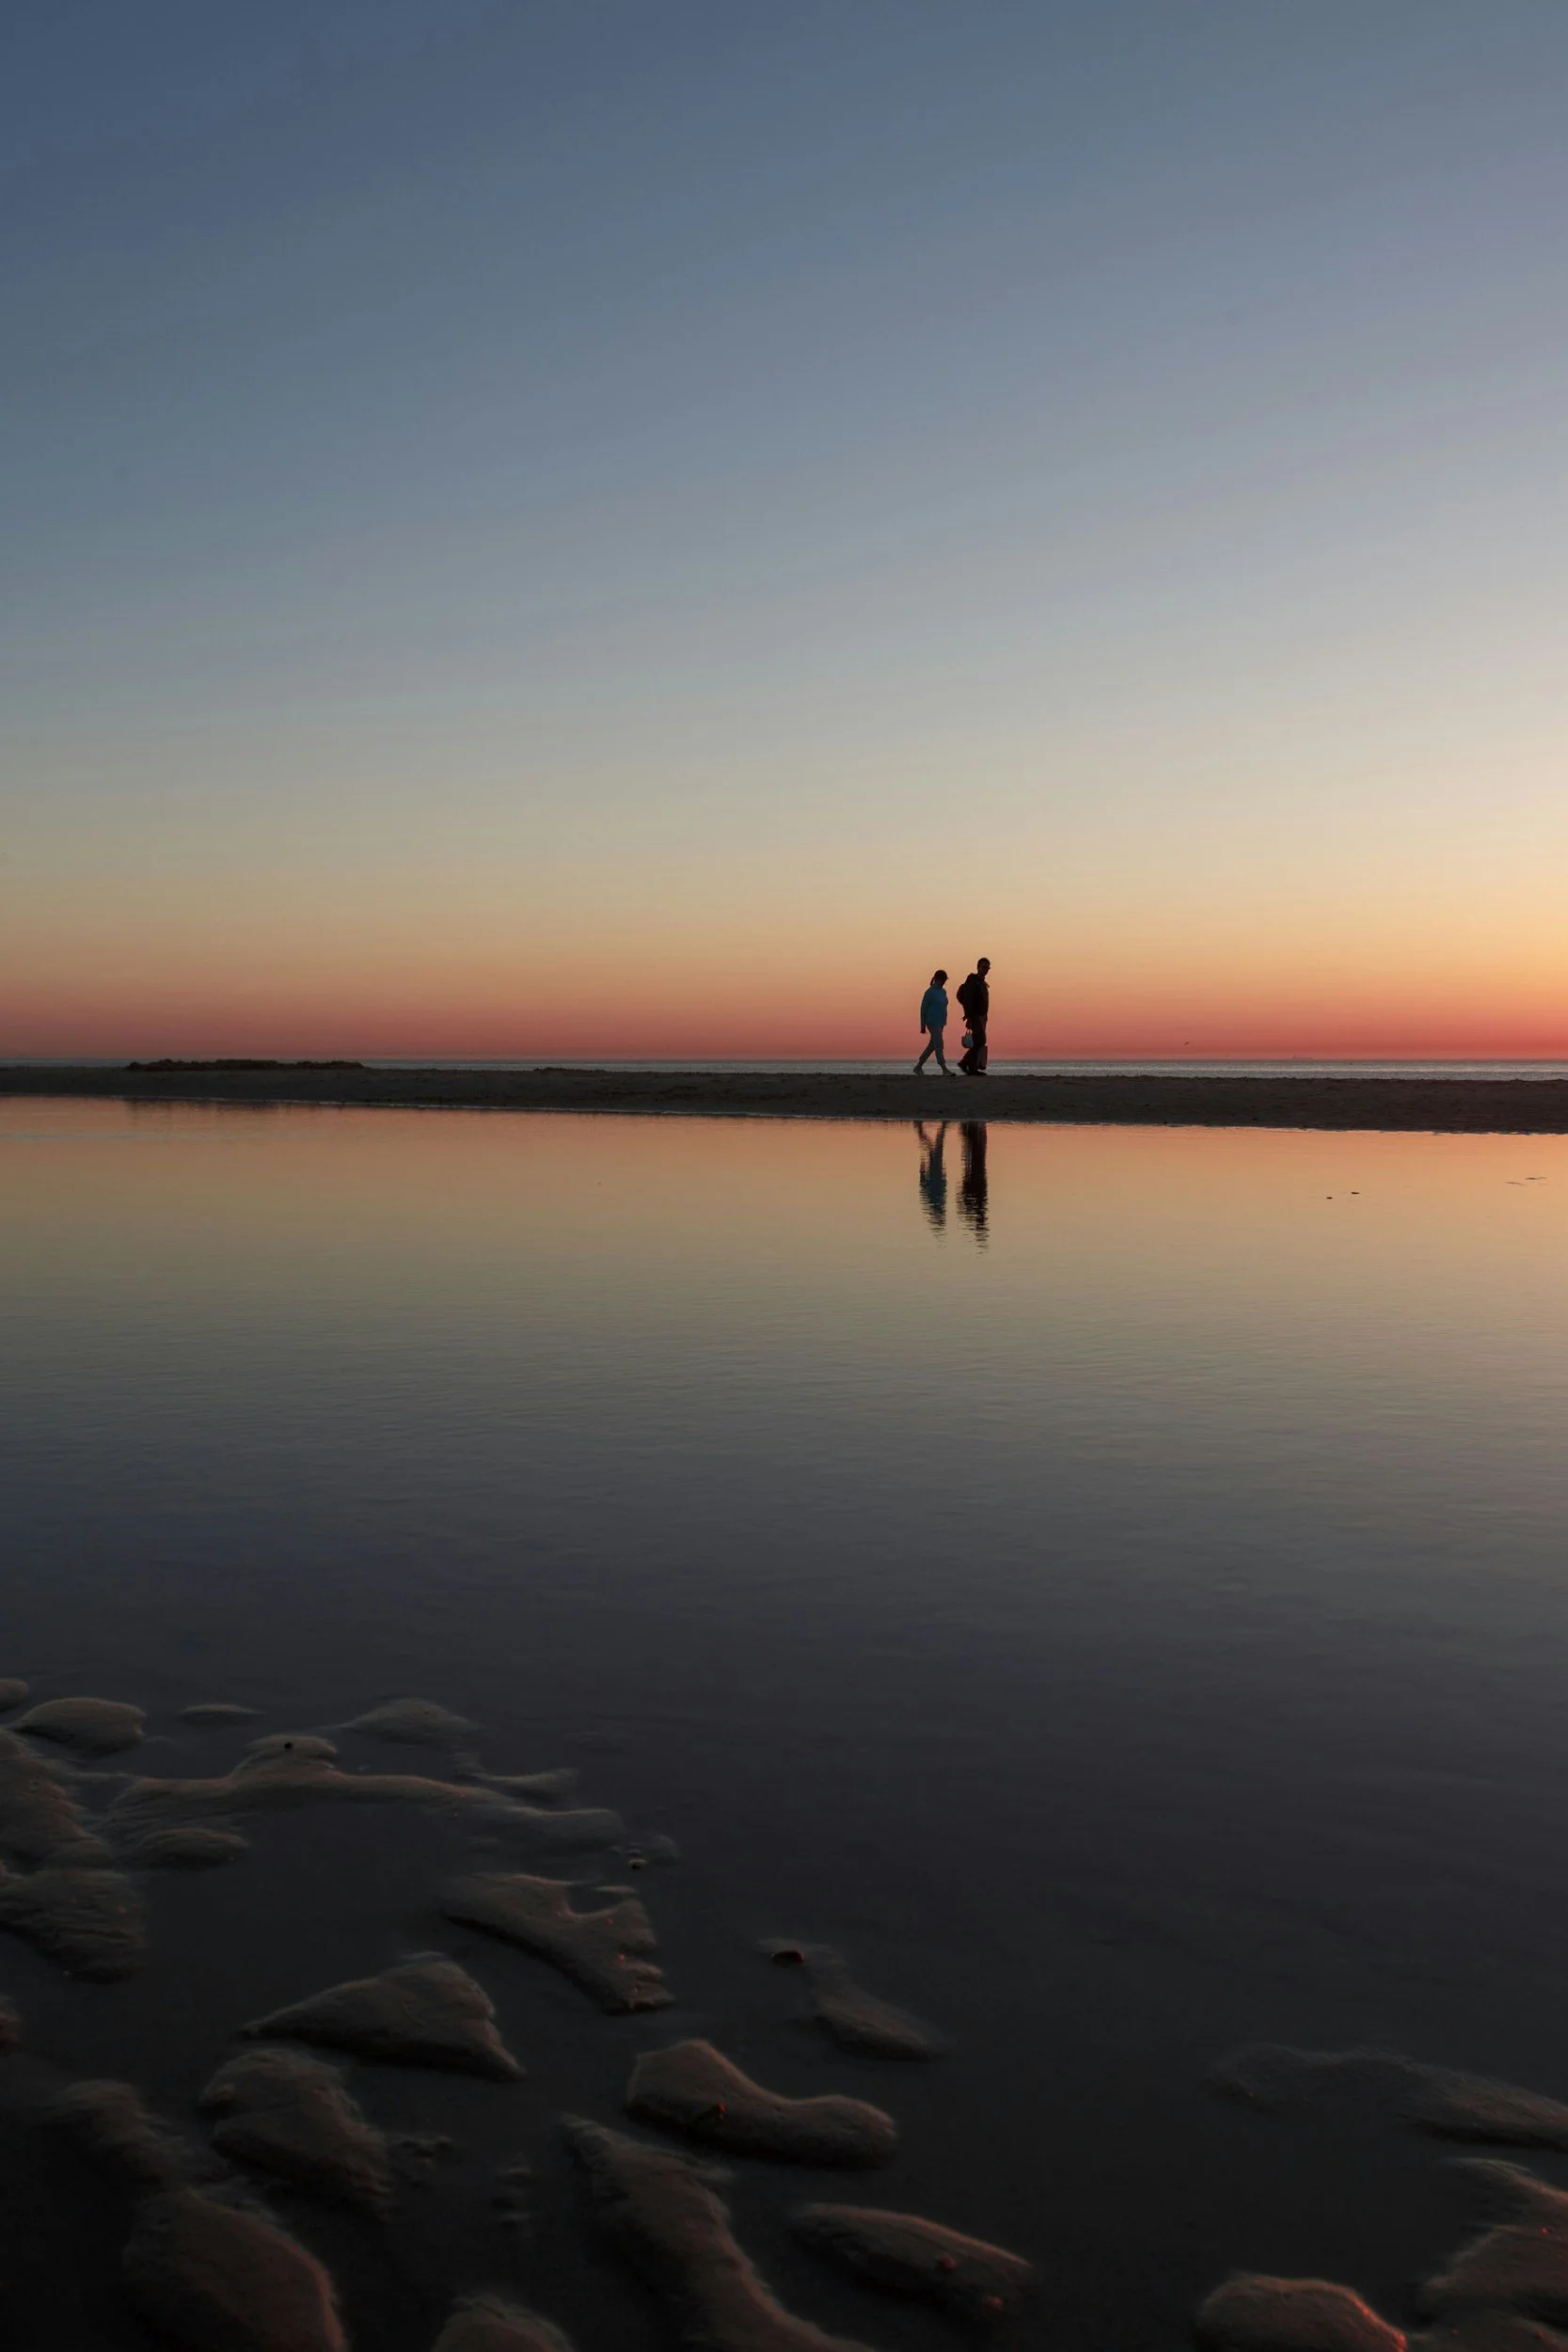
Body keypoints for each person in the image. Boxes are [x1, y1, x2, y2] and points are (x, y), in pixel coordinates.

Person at [914, 968, 955, 1074]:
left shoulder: (943, 992)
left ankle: (918, 1066)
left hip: (941, 1022)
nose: (944, 982)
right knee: (939, 1043)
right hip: (932, 1021)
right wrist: (922, 1025)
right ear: (937, 979)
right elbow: (923, 1009)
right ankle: (944, 1068)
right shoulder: (929, 992)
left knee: (933, 1045)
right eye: (943, 980)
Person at [957, 958, 990, 1074]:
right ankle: (965, 1062)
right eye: (984, 967)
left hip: (981, 1016)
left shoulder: (981, 982)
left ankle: (972, 1068)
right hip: (975, 1015)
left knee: (977, 1040)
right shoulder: (973, 980)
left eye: (987, 968)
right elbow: (967, 999)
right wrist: (968, 1016)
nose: (986, 970)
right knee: (981, 1040)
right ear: (978, 967)